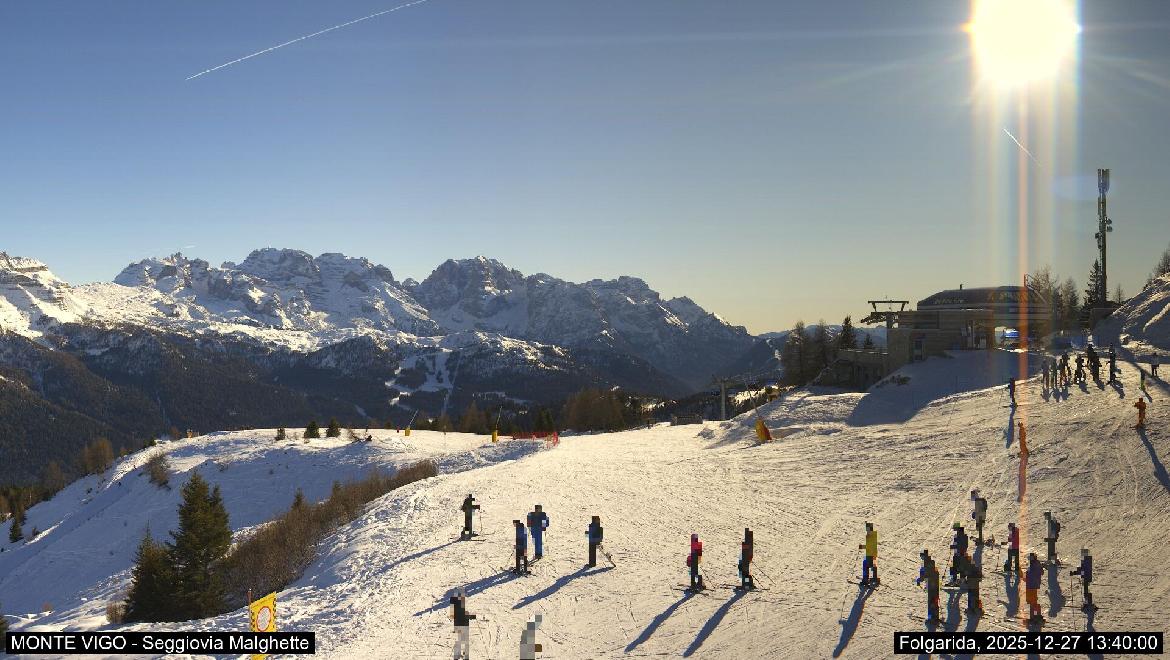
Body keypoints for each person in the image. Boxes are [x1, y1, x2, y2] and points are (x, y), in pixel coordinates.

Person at [916, 549, 940, 624]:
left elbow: (923, 577)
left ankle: (931, 618)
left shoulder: (924, 565)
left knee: (931, 601)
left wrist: (918, 581)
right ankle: (936, 616)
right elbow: (936, 573)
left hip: (930, 585)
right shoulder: (932, 562)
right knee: (935, 600)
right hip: (936, 584)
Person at [450, 587, 475, 660]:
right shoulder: (459, 603)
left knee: (461, 639)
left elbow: (452, 615)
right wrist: (470, 616)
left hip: (459, 624)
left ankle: (458, 655)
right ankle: (463, 656)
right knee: (464, 640)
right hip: (463, 624)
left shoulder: (454, 603)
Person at [956, 551, 983, 615]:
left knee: (971, 594)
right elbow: (976, 569)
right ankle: (978, 609)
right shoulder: (970, 560)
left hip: (971, 579)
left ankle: (971, 609)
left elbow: (963, 573)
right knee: (976, 594)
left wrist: (961, 581)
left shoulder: (962, 563)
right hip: (976, 578)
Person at [858, 521, 878, 586]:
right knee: (873, 566)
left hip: (870, 554)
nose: (867, 530)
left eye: (867, 529)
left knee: (865, 565)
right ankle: (875, 578)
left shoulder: (870, 536)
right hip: (873, 554)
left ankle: (865, 580)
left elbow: (869, 546)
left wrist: (862, 547)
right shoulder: (874, 534)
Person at [1025, 553, 1044, 623]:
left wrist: (1023, 574)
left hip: (1031, 586)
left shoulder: (1033, 566)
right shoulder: (1038, 564)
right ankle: (1036, 615)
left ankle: (1035, 617)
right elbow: (1042, 572)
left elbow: (1028, 576)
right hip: (1035, 585)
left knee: (1032, 603)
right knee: (1034, 602)